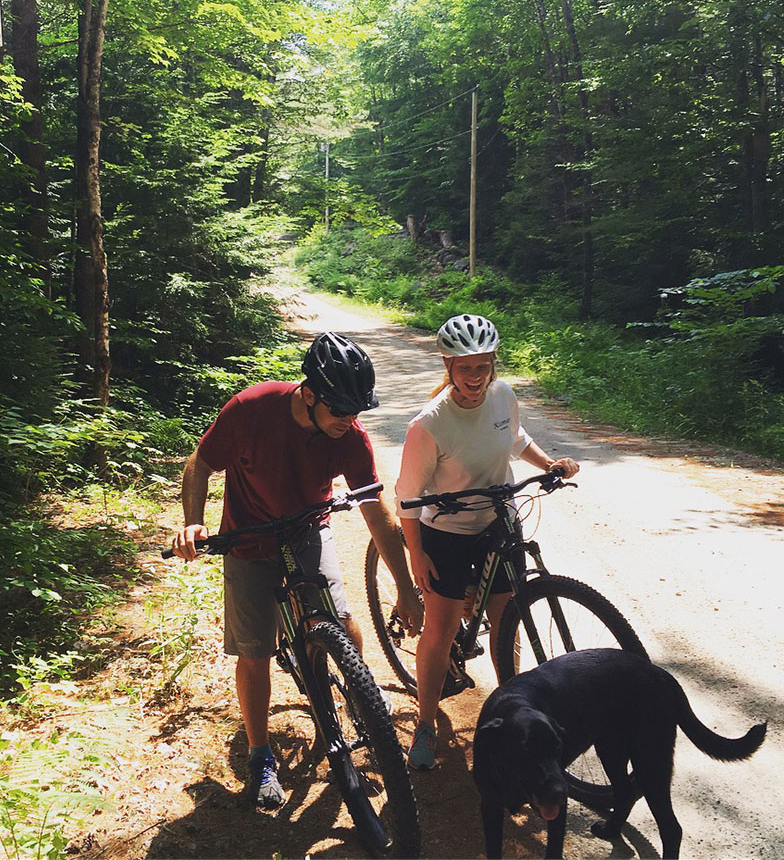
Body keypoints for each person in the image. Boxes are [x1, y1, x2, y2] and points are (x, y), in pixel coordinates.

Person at [171, 332, 423, 808]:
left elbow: (377, 513)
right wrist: (192, 522)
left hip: (308, 527)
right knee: (255, 651)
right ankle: (260, 754)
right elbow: (199, 464)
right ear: (309, 395)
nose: (350, 422)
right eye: (341, 411)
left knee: (342, 624)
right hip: (246, 539)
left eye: (357, 412)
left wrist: (407, 589)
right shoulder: (251, 409)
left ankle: (357, 690)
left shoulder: (349, 435)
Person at [394, 314, 579, 771]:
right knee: (440, 627)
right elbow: (408, 498)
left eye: (482, 366)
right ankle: (424, 722)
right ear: (448, 365)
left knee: (507, 619)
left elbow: (516, 439)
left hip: (499, 520)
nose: (474, 377)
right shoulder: (430, 424)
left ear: (492, 364)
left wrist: (548, 462)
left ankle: (514, 713)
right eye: (464, 367)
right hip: (448, 532)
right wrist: (416, 553)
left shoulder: (503, 396)